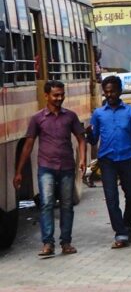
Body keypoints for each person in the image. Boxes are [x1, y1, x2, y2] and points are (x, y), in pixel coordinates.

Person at [11, 80, 87, 258]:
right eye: (55, 95)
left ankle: (66, 242)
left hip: (67, 167)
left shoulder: (70, 116)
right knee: (46, 205)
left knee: (67, 205)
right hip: (46, 168)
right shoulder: (37, 119)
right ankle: (48, 244)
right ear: (46, 96)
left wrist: (82, 159)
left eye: (62, 94)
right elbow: (28, 146)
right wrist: (19, 171)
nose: (59, 98)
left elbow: (81, 139)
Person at [90, 74, 131, 248]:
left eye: (113, 92)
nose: (110, 95)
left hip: (126, 158)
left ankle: (127, 224)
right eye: (106, 92)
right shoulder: (98, 114)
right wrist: (88, 134)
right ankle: (120, 233)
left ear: (120, 91)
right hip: (107, 160)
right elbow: (93, 139)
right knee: (111, 198)